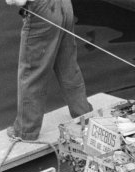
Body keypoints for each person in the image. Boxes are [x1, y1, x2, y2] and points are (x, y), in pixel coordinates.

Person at [6, 0, 92, 141]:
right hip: (65, 6)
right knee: (68, 66)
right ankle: (83, 114)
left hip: (43, 12)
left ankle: (25, 130)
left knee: (32, 72)